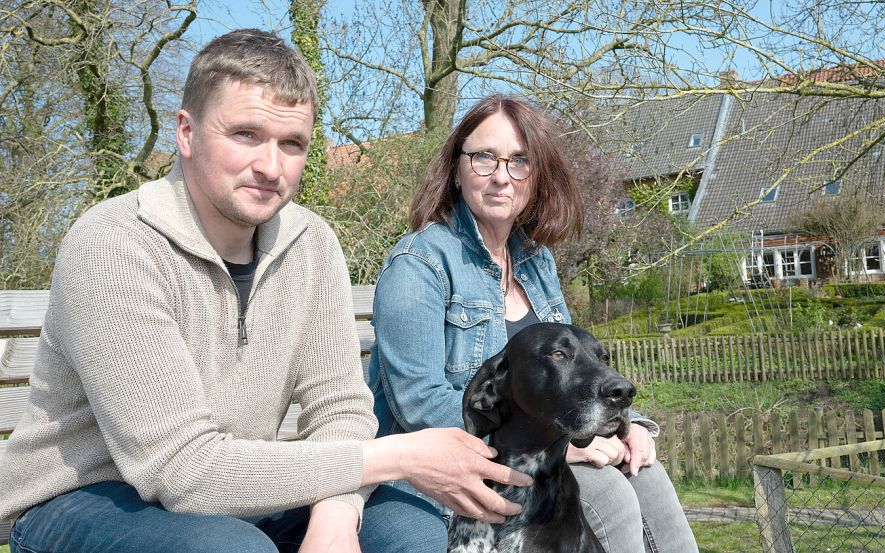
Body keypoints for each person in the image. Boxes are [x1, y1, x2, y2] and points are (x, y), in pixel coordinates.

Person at [0, 30, 531, 553]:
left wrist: (336, 512)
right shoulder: (113, 245)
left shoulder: (311, 244)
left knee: (408, 530)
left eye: (292, 143)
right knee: (229, 549)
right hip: (82, 498)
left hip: (240, 489)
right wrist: (398, 456)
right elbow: (181, 470)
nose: (271, 167)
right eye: (245, 135)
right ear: (186, 132)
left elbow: (340, 407)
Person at [361, 95, 699, 553]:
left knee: (646, 474)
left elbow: (577, 370)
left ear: (536, 176)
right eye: (485, 157)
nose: (502, 175)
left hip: (542, 457)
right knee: (611, 495)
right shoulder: (419, 262)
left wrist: (626, 424)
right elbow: (418, 402)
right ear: (457, 169)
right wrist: (568, 443)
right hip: (436, 473)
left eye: (520, 161)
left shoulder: (536, 262)